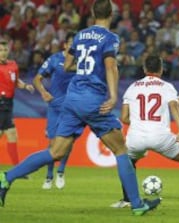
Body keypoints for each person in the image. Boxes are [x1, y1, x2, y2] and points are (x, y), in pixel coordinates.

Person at [0, 0, 160, 216]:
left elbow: (67, 65)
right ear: (111, 15)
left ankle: (6, 178)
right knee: (121, 150)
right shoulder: (111, 38)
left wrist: (88, 66)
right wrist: (113, 96)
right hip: (92, 100)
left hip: (72, 99)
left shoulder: (80, 35)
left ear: (93, 14)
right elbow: (111, 66)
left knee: (55, 151)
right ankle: (137, 205)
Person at [111, 55, 179, 211]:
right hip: (161, 137)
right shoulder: (166, 87)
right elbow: (173, 107)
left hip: (136, 137)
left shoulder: (132, 87)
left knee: (128, 162)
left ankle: (127, 200)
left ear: (144, 69)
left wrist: (141, 122)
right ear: (161, 68)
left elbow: (124, 118)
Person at [32, 32, 76, 190]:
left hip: (72, 109)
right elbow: (37, 79)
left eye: (75, 44)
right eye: (70, 43)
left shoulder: (81, 62)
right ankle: (49, 175)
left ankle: (61, 172)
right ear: (65, 45)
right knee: (52, 143)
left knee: (67, 143)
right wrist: (43, 92)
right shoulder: (55, 59)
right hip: (55, 107)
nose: (72, 46)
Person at [0, 38, 34, 167]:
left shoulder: (13, 65)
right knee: (11, 134)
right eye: (0, 50)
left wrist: (25, 86)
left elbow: (16, 82)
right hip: (1, 103)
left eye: (5, 49)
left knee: (11, 134)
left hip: (9, 103)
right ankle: (18, 169)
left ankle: (17, 169)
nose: (3, 53)